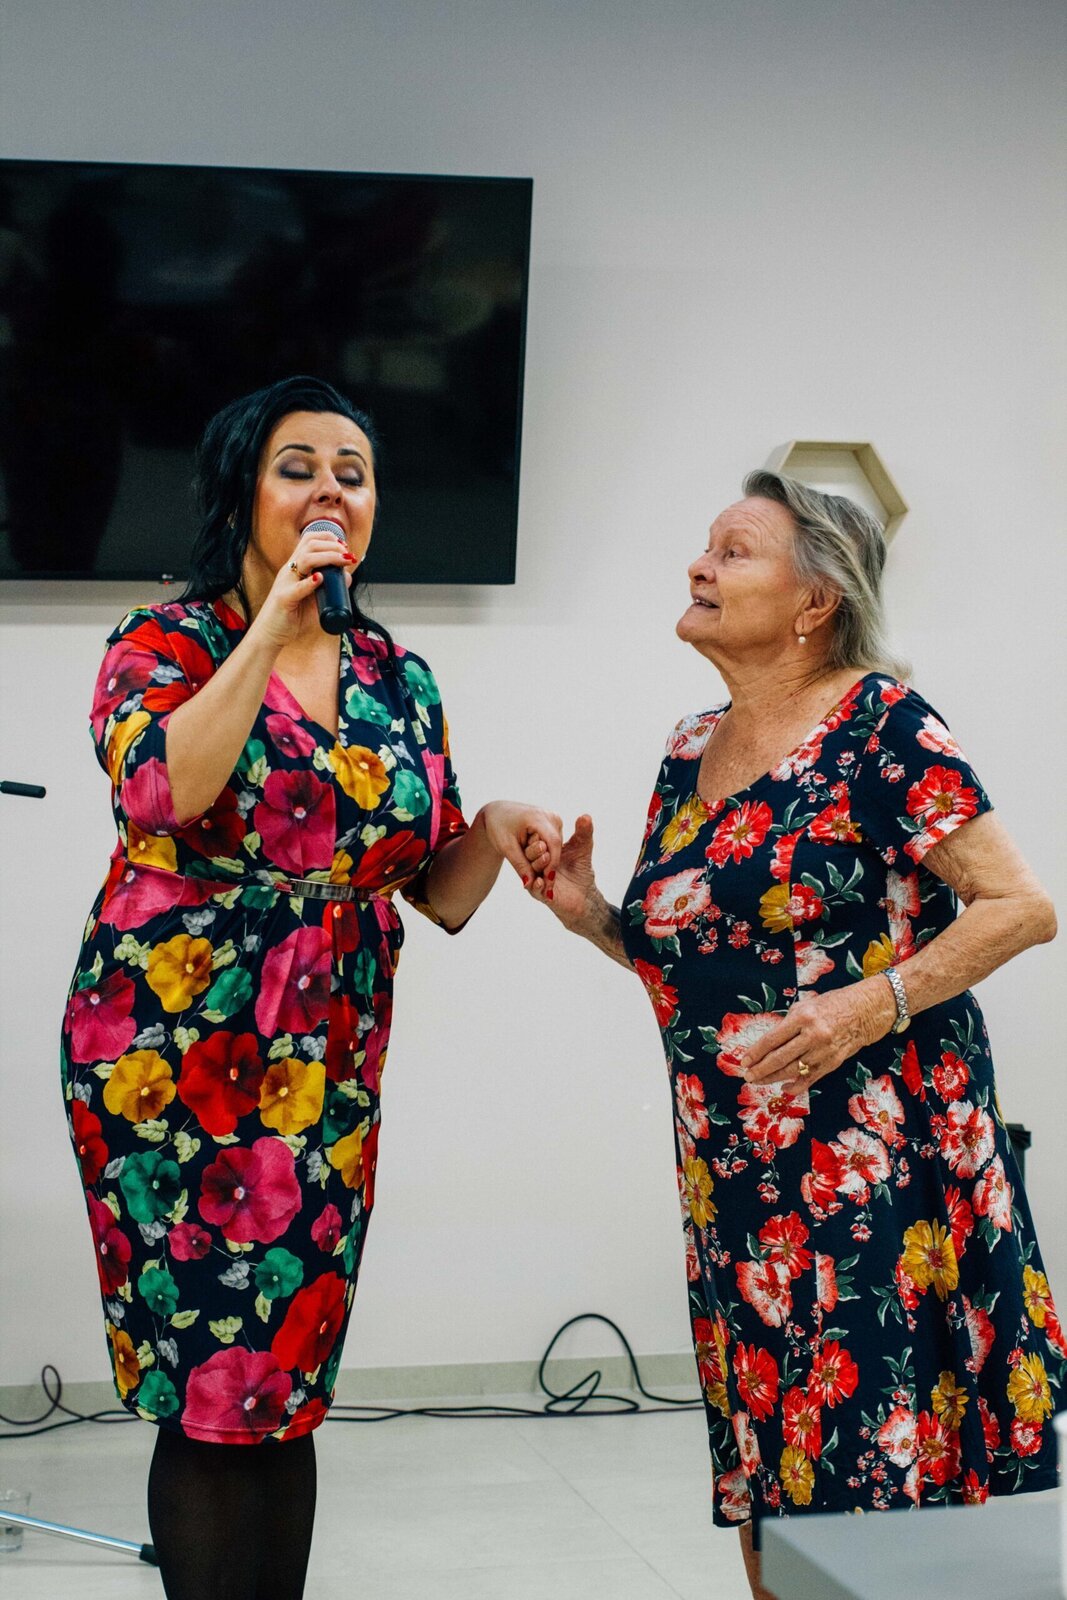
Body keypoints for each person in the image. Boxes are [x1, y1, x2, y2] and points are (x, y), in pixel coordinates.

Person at [61, 375, 561, 1600]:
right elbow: (166, 791)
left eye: (354, 471)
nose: (331, 489)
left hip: (326, 1071)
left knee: (284, 1380)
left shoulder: (399, 675)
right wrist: (271, 626)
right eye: (298, 467)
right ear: (241, 493)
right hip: (170, 1058)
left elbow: (431, 889)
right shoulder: (162, 644)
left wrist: (496, 825)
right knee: (211, 1378)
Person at [524, 471, 1063, 1600]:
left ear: (816, 600)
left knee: (875, 1484)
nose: (698, 565)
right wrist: (592, 917)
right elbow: (700, 965)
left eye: (733, 551)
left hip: (878, 1177)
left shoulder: (882, 726)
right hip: (736, 1185)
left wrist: (866, 1004)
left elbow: (1020, 906)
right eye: (705, 547)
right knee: (776, 1472)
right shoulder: (690, 746)